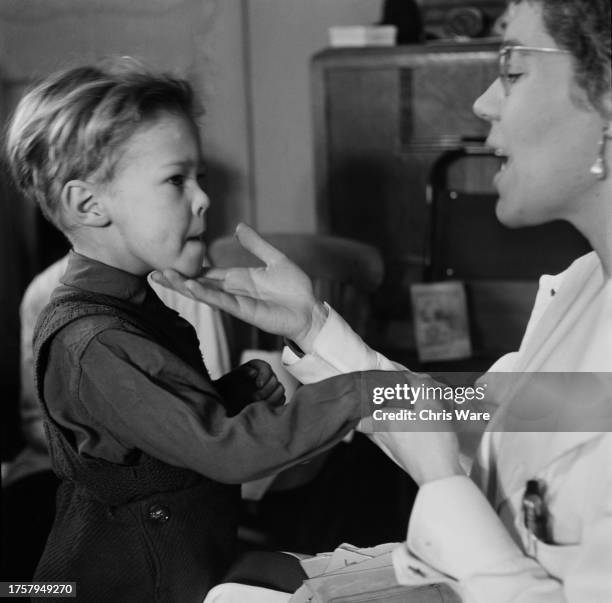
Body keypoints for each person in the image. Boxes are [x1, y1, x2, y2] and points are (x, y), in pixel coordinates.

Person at [154, 0, 612, 600]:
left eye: (512, 69)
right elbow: (475, 421)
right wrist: (316, 329)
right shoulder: (584, 288)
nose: (482, 103)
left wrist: (440, 480)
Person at [4, 60, 368, 602]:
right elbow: (227, 451)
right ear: (89, 204)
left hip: (185, 566)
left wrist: (226, 395)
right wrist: (362, 392)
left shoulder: (126, 304)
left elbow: (144, 433)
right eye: (176, 180)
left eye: (200, 178)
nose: (203, 199)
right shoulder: (96, 340)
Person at [0, 248, 231, 580]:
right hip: (66, 466)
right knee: (24, 537)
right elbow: (33, 418)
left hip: (170, 463)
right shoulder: (43, 292)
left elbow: (211, 405)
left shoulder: (183, 283)